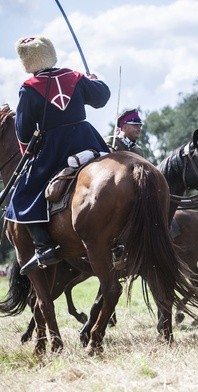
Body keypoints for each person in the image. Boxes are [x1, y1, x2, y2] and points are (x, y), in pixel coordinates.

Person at [6, 36, 111, 274]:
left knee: (23, 193)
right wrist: (95, 80)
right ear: (50, 53)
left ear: (27, 61)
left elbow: (22, 132)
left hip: (54, 148)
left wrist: (29, 155)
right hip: (87, 139)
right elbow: (102, 98)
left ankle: (44, 247)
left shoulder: (29, 88)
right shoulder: (75, 77)